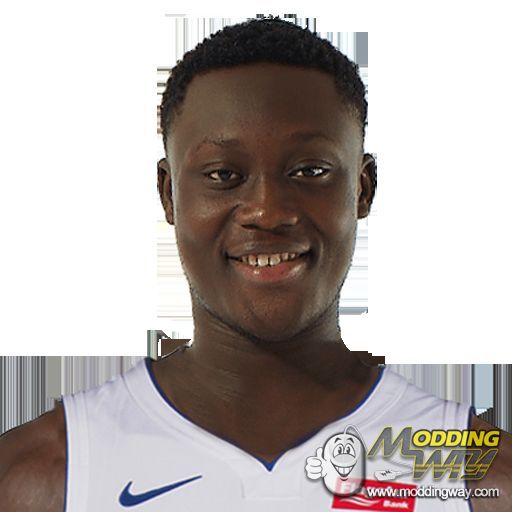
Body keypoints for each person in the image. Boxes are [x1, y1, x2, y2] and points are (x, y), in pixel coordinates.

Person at [0, 18, 510, 512]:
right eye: (223, 174)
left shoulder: (478, 476)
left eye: (309, 170)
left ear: (362, 188)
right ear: (169, 194)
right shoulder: (48, 475)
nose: (267, 211)